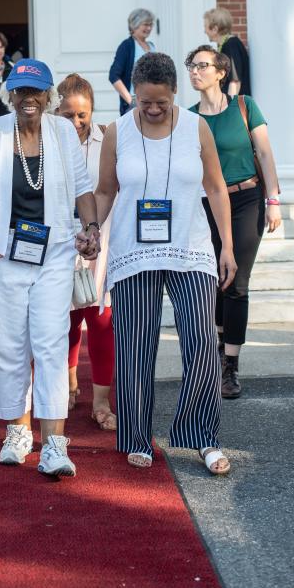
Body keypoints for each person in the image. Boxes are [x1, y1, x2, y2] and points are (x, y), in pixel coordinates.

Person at [96, 52, 237, 475]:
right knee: (136, 349)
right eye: (145, 102)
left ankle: (203, 436)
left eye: (161, 101)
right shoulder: (117, 131)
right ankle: (138, 436)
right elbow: (105, 191)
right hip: (133, 251)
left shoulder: (197, 128)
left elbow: (215, 187)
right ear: (134, 95)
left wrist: (226, 245)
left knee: (201, 345)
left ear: (175, 92)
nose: (154, 109)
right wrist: (89, 228)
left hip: (191, 248)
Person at [0, 59, 100, 478]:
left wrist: (90, 227)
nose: (27, 99)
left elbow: (82, 187)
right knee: (8, 345)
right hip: (3, 256)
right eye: (19, 92)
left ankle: (55, 443)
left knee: (52, 343)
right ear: (10, 96)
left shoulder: (61, 134)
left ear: (48, 96)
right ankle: (17, 432)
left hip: (54, 252)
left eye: (35, 92)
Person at [187, 44, 281, 398]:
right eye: (191, 66)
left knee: (237, 280)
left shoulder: (245, 106)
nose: (195, 72)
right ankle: (214, 354)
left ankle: (230, 366)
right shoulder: (190, 117)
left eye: (202, 66)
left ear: (220, 71)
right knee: (212, 280)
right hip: (206, 203)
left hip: (246, 199)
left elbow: (265, 153)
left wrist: (273, 200)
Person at [57, 73, 116, 431]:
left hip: (101, 244)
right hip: (62, 246)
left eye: (83, 115)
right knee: (65, 323)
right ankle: (67, 385)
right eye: (69, 115)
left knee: (101, 323)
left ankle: (100, 401)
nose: (77, 122)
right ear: (56, 110)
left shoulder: (108, 140)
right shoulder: (46, 143)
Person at [109, 8, 156, 115]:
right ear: (135, 24)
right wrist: (132, 101)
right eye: (145, 24)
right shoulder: (127, 46)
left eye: (151, 24)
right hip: (136, 104)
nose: (149, 28)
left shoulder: (152, 46)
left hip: (153, 101)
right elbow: (113, 75)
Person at [203, 7, 251, 96]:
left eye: (205, 27)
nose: (204, 31)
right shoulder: (226, 45)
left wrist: (229, 107)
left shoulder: (231, 45)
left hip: (237, 107)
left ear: (215, 29)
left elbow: (234, 82)